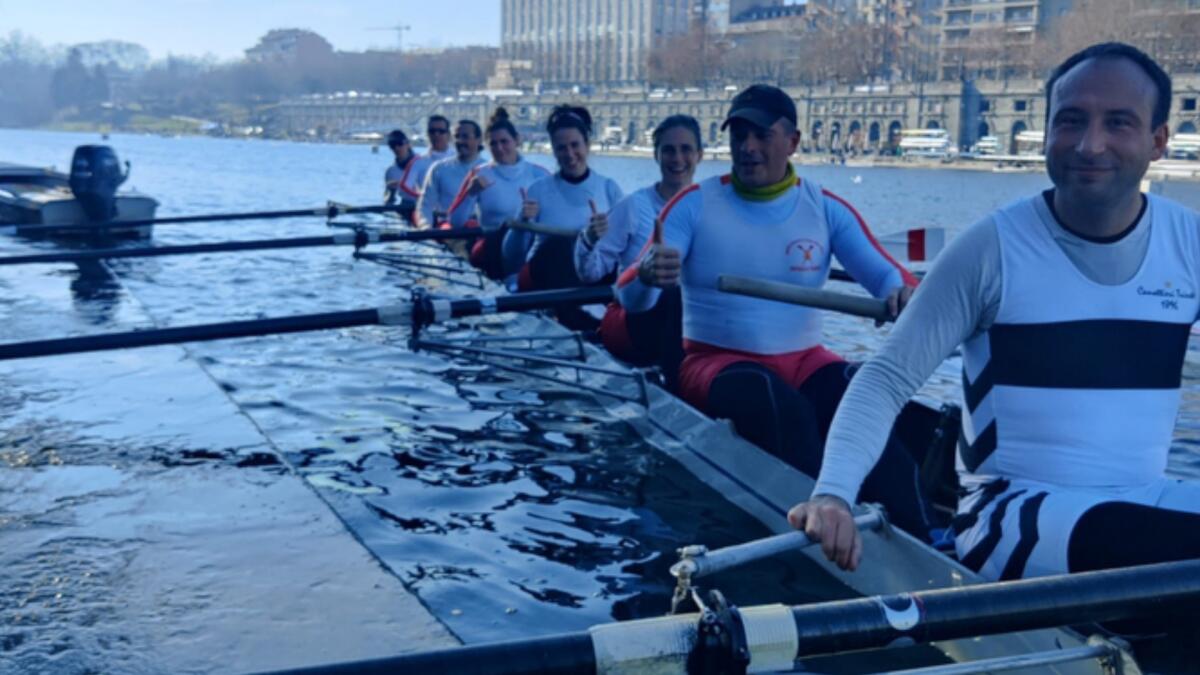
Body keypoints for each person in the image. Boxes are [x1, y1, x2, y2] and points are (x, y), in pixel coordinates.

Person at [788, 43, 1200, 583]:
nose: (1088, 144)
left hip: (1142, 497)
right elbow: (885, 380)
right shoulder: (992, 249)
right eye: (1070, 121)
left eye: (1117, 123)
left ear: (1158, 142)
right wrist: (834, 494)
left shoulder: (1188, 241)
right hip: (1008, 514)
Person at [620, 84, 937, 538]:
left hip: (806, 360)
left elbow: (892, 278)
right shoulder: (694, 205)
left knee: (863, 391)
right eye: (739, 136)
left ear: (793, 142)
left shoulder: (825, 208)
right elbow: (627, 293)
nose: (747, 147)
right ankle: (826, 519)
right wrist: (649, 276)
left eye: (762, 135)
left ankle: (924, 532)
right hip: (713, 362)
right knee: (775, 402)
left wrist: (903, 296)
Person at [576, 115, 701, 385]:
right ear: (656, 156)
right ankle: (678, 385)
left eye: (685, 149)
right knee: (673, 295)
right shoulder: (634, 206)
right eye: (668, 150)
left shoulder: (709, 210)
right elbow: (589, 273)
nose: (677, 158)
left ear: (699, 155)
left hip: (688, 326)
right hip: (630, 320)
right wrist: (588, 239)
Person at [502, 105, 624, 294]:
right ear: (554, 151)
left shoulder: (609, 189)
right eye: (561, 148)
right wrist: (521, 222)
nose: (569, 154)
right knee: (559, 246)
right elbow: (510, 259)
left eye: (575, 145)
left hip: (589, 276)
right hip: (543, 276)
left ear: (587, 145)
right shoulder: (538, 190)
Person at [445, 108, 549, 279]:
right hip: (492, 247)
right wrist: (471, 194)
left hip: (531, 247)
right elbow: (455, 222)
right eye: (493, 144)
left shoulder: (540, 175)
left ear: (516, 140)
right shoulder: (479, 174)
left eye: (504, 141)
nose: (499, 148)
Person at [417, 119, 487, 227]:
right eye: (457, 136)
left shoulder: (490, 170)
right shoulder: (439, 169)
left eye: (465, 137)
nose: (460, 141)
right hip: (449, 229)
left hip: (479, 229)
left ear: (479, 140)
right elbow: (425, 206)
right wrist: (425, 226)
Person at [397, 115, 456, 217]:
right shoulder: (418, 161)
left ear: (449, 135)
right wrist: (425, 199)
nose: (436, 135)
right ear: (428, 134)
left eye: (441, 131)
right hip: (429, 213)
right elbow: (404, 189)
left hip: (455, 212)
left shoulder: (460, 158)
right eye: (432, 131)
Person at [383, 129, 418, 222]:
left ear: (407, 144)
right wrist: (391, 191)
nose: (397, 148)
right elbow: (388, 202)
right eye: (393, 145)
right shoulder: (391, 172)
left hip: (424, 207)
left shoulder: (423, 164)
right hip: (404, 210)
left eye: (400, 144)